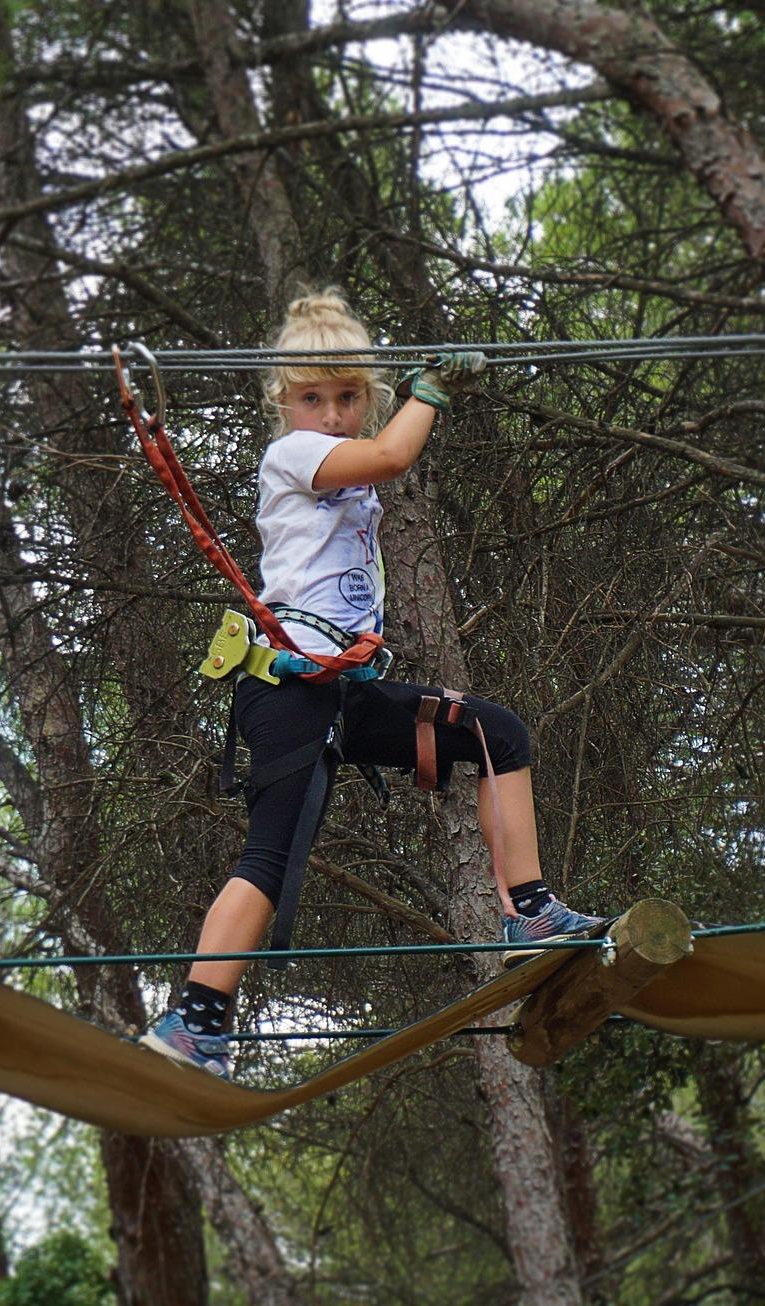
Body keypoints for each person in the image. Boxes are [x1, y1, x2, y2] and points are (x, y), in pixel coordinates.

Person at [139, 288, 603, 1078]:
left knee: (496, 734)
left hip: (342, 691)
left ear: (367, 396)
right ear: (283, 405)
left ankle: (529, 913)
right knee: (272, 853)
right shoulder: (292, 456)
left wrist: (417, 392)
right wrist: (431, 393)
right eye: (312, 398)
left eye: (348, 397)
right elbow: (391, 456)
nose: (330, 414)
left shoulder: (343, 470)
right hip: (288, 688)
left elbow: (378, 461)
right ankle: (196, 1018)